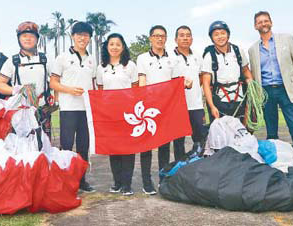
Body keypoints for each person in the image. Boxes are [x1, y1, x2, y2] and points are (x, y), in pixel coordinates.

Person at [248, 11, 293, 159]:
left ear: (271, 22)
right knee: (271, 132)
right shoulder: (252, 50)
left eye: (266, 21)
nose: (263, 24)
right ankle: (276, 161)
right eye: (259, 22)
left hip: (286, 90)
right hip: (266, 93)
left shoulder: (287, 39)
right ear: (255, 26)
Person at [137, 25, 191, 194]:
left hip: (167, 109)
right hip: (149, 108)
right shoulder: (143, 58)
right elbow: (142, 82)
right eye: (156, 36)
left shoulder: (173, 59)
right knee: (146, 146)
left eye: (162, 36)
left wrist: (186, 83)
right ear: (150, 38)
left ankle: (163, 179)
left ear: (166, 38)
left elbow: (176, 82)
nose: (159, 39)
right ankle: (147, 182)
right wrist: (146, 100)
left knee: (164, 147)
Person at [49, 22, 97, 192]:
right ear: (72, 36)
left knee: (84, 147)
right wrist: (70, 90)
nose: (82, 38)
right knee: (67, 146)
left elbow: (94, 84)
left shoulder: (92, 60)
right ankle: (66, 182)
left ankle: (81, 181)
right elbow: (53, 83)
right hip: (68, 108)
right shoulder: (62, 57)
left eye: (86, 35)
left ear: (90, 38)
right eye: (79, 34)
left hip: (87, 110)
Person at [0, 21, 54, 140]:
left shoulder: (45, 59)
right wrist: (18, 90)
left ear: (37, 39)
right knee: (22, 148)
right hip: (20, 112)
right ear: (19, 39)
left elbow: (56, 81)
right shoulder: (13, 61)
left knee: (44, 147)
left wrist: (55, 100)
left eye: (31, 36)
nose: (28, 39)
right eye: (24, 36)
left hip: (42, 109)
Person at [97, 33, 137, 196]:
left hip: (127, 112)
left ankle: (127, 184)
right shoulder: (101, 68)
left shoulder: (130, 66)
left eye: (118, 44)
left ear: (123, 47)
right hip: (109, 114)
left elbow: (136, 89)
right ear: (107, 47)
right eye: (111, 44)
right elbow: (100, 91)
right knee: (113, 148)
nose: (114, 47)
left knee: (127, 148)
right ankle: (117, 182)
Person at [201, 21, 253, 124]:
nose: (220, 37)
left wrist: (251, 83)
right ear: (212, 38)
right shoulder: (209, 56)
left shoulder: (238, 51)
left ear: (228, 35)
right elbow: (206, 84)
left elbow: (246, 70)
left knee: (240, 132)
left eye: (222, 33)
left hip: (240, 99)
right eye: (216, 34)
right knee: (221, 134)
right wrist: (212, 107)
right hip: (220, 101)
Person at [171, 25, 205, 155]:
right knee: (179, 142)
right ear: (176, 39)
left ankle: (198, 167)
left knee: (200, 139)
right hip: (178, 106)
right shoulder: (170, 57)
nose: (185, 38)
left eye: (188, 35)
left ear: (192, 39)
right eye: (181, 35)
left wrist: (195, 89)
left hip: (196, 105)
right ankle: (180, 169)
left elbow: (202, 77)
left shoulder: (197, 56)